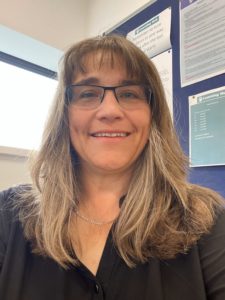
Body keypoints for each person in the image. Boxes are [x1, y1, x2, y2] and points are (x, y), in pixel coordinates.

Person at [0, 34, 225, 300]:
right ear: (64, 114)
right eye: (88, 93)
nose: (110, 111)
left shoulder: (203, 218)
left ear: (152, 115)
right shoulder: (8, 214)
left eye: (129, 93)